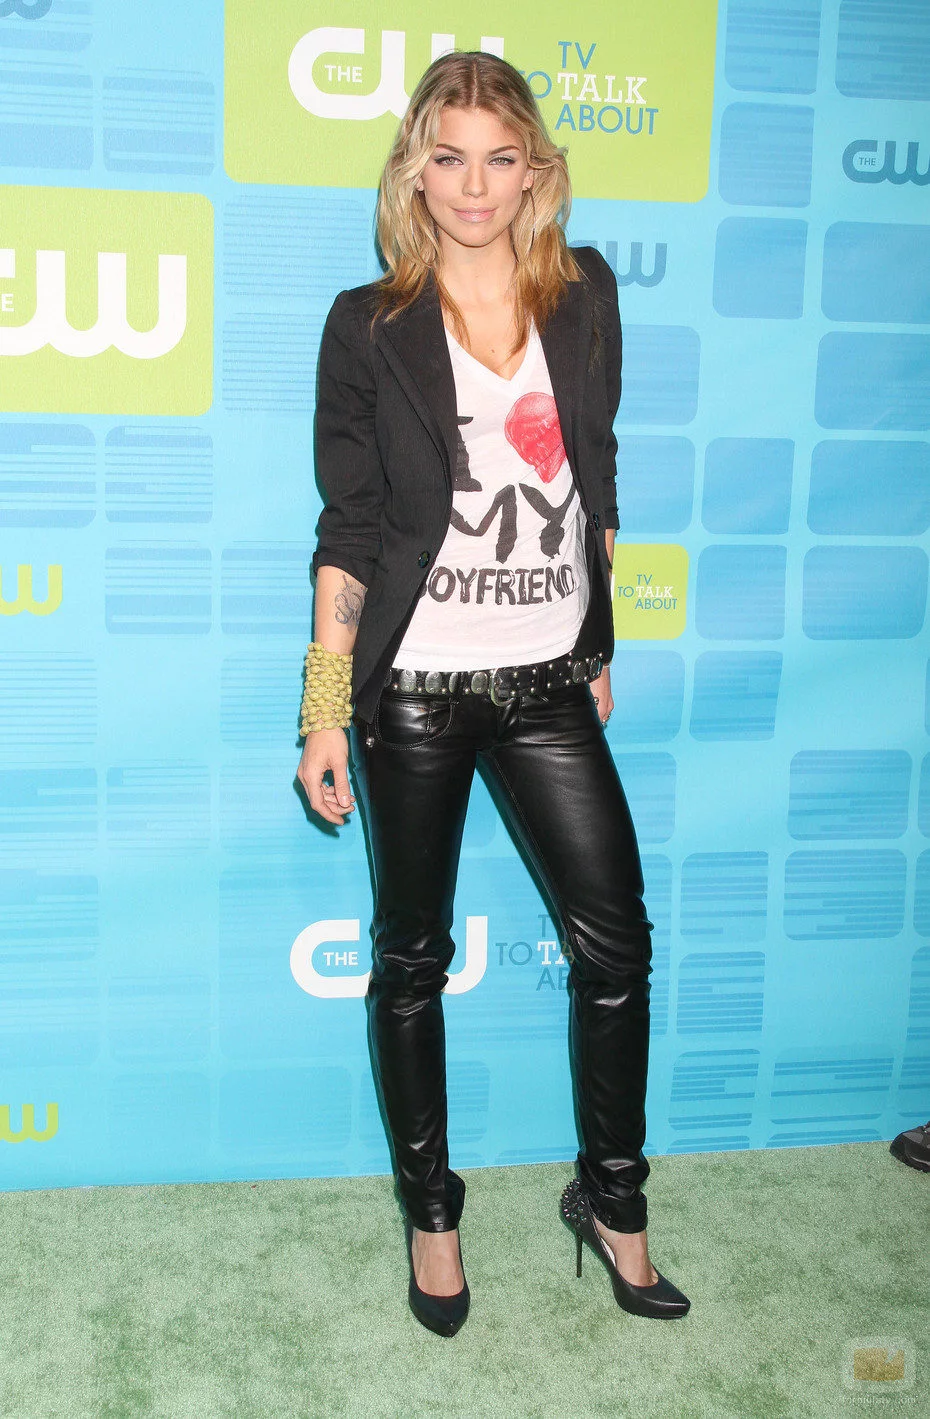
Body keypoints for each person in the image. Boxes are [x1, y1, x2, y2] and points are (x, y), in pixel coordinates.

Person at [296, 50, 690, 1336]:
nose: (474, 186)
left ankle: (614, 1202)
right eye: (449, 158)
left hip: (546, 682)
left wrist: (597, 639)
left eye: (499, 158)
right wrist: (324, 704)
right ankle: (433, 1216)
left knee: (616, 943)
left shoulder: (585, 295)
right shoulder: (370, 323)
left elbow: (595, 476)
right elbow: (352, 526)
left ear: (537, 172)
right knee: (411, 959)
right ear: (416, 171)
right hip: (411, 690)